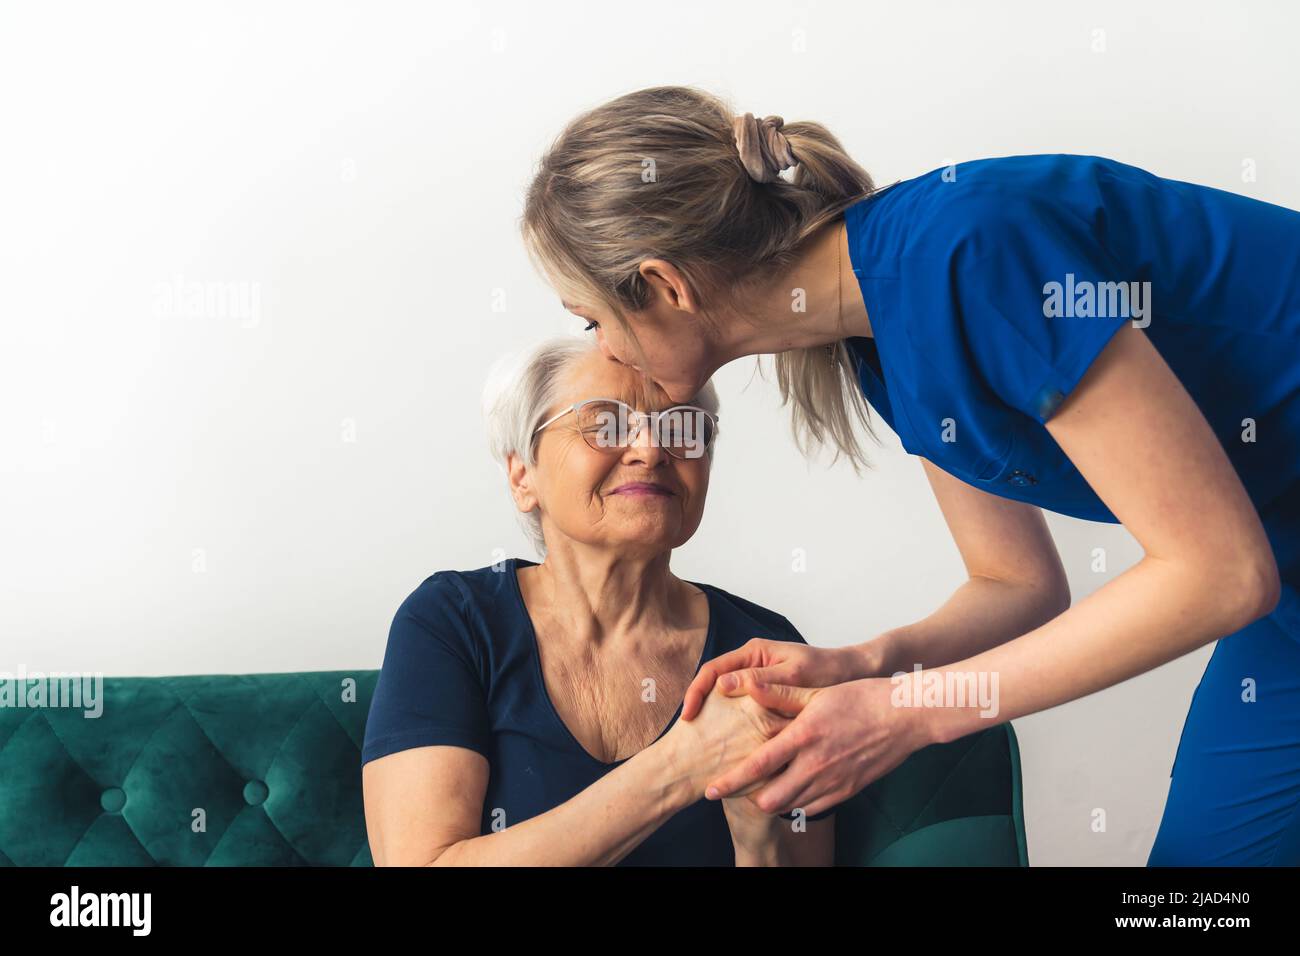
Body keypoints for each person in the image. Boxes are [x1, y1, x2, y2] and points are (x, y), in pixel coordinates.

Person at [519, 85, 1300, 865]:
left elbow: (1221, 575)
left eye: (592, 320)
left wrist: (908, 712)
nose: (604, 351)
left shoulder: (973, 253)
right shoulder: (878, 343)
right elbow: (1017, 583)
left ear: (664, 287)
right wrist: (868, 665)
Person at [361, 337, 836, 865]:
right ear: (523, 476)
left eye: (682, 427)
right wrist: (682, 765)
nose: (651, 449)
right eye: (604, 423)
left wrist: (757, 828)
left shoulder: (764, 648)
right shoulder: (452, 621)